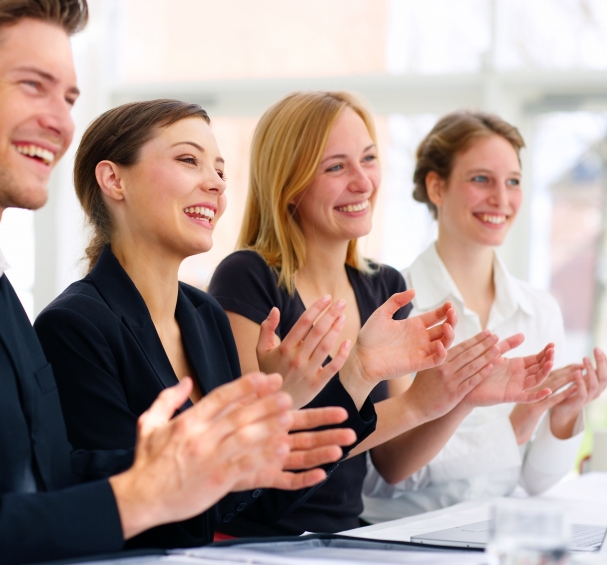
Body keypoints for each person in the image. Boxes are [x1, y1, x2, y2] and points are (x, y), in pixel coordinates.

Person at [0, 3, 365, 564]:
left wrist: (197, 463)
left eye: (69, 96)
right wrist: (137, 499)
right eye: (32, 85)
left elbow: (49, 474)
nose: (61, 121)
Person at [33, 97, 476, 544]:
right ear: (114, 179)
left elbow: (257, 503)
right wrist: (275, 409)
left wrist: (349, 375)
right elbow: (135, 509)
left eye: (220, 171)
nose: (216, 185)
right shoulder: (74, 327)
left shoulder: (203, 315)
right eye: (190, 160)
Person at [208, 91, 555, 534]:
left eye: (368, 159)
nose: (363, 182)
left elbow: (392, 464)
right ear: (288, 184)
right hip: (256, 539)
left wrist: (456, 398)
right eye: (336, 166)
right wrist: (383, 386)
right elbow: (252, 450)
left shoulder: (385, 287)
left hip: (348, 536)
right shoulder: (247, 277)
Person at [361, 111, 607, 522]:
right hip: (396, 541)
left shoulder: (540, 310)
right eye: (481, 179)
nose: (501, 198)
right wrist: (515, 427)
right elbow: (387, 474)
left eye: (512, 181)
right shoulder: (391, 304)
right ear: (436, 187)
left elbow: (536, 481)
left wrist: (564, 412)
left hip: (494, 535)